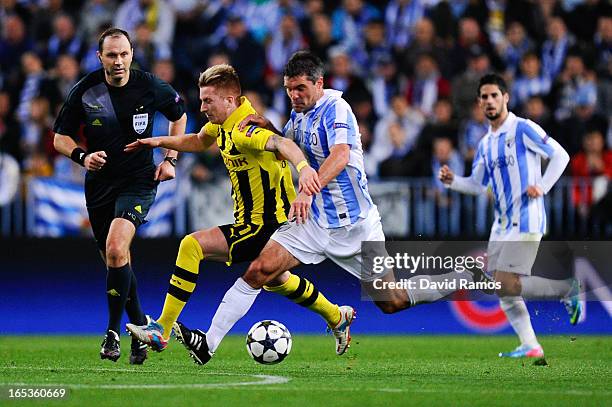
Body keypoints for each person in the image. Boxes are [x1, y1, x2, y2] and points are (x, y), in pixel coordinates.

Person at [168, 51, 492, 365]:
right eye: (289, 89)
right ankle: (208, 344)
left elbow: (340, 156)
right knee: (259, 270)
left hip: (356, 226)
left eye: (300, 89)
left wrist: (308, 189)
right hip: (314, 222)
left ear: (319, 83)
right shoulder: (299, 114)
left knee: (392, 302)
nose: (294, 96)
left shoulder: (337, 109)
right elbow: (287, 148)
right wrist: (269, 126)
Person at [125, 63, 352, 364]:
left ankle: (162, 330)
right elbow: (198, 140)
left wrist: (304, 169)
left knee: (191, 245)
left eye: (208, 100)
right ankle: (337, 316)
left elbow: (281, 143)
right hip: (256, 221)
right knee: (275, 278)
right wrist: (159, 141)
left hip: (267, 223)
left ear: (230, 100)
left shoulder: (245, 128)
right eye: (202, 99)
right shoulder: (222, 122)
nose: (202, 106)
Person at [53, 27, 187, 364]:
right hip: (100, 185)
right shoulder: (85, 91)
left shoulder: (150, 85)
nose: (119, 61)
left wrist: (170, 159)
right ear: (100, 58)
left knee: (116, 247)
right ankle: (140, 326)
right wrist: (83, 157)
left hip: (139, 181)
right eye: (111, 55)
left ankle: (113, 332)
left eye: (124, 54)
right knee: (117, 260)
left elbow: (180, 115)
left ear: (131, 54)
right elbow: (60, 138)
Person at [439, 73, 582, 358]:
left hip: (527, 217)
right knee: (503, 287)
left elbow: (560, 155)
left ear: (505, 98)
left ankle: (567, 289)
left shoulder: (522, 128)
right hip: (501, 224)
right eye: (484, 97)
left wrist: (542, 186)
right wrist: (453, 181)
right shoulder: (485, 144)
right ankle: (531, 346)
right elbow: (478, 185)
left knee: (506, 282)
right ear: (479, 103)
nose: (489, 101)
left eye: (494, 95)